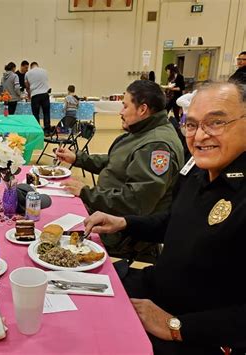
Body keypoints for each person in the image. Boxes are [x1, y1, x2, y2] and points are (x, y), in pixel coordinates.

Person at [83, 82, 246, 355]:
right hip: (158, 286)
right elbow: (176, 222)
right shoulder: (196, 171)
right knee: (78, 294)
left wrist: (176, 326)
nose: (200, 136)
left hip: (200, 329)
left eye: (216, 122)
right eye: (191, 125)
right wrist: (126, 222)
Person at [56, 80, 185, 262]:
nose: (121, 112)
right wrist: (78, 158)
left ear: (142, 109)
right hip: (107, 216)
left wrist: (87, 193)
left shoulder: (156, 146)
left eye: (125, 106)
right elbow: (116, 162)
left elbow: (137, 201)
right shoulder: (143, 131)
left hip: (123, 240)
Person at [25, 61, 51, 135]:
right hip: (45, 94)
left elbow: (27, 86)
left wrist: (29, 94)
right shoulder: (44, 71)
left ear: (31, 67)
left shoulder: (28, 73)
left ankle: (37, 130)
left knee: (36, 114)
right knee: (46, 113)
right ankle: (47, 131)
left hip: (35, 95)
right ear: (37, 65)